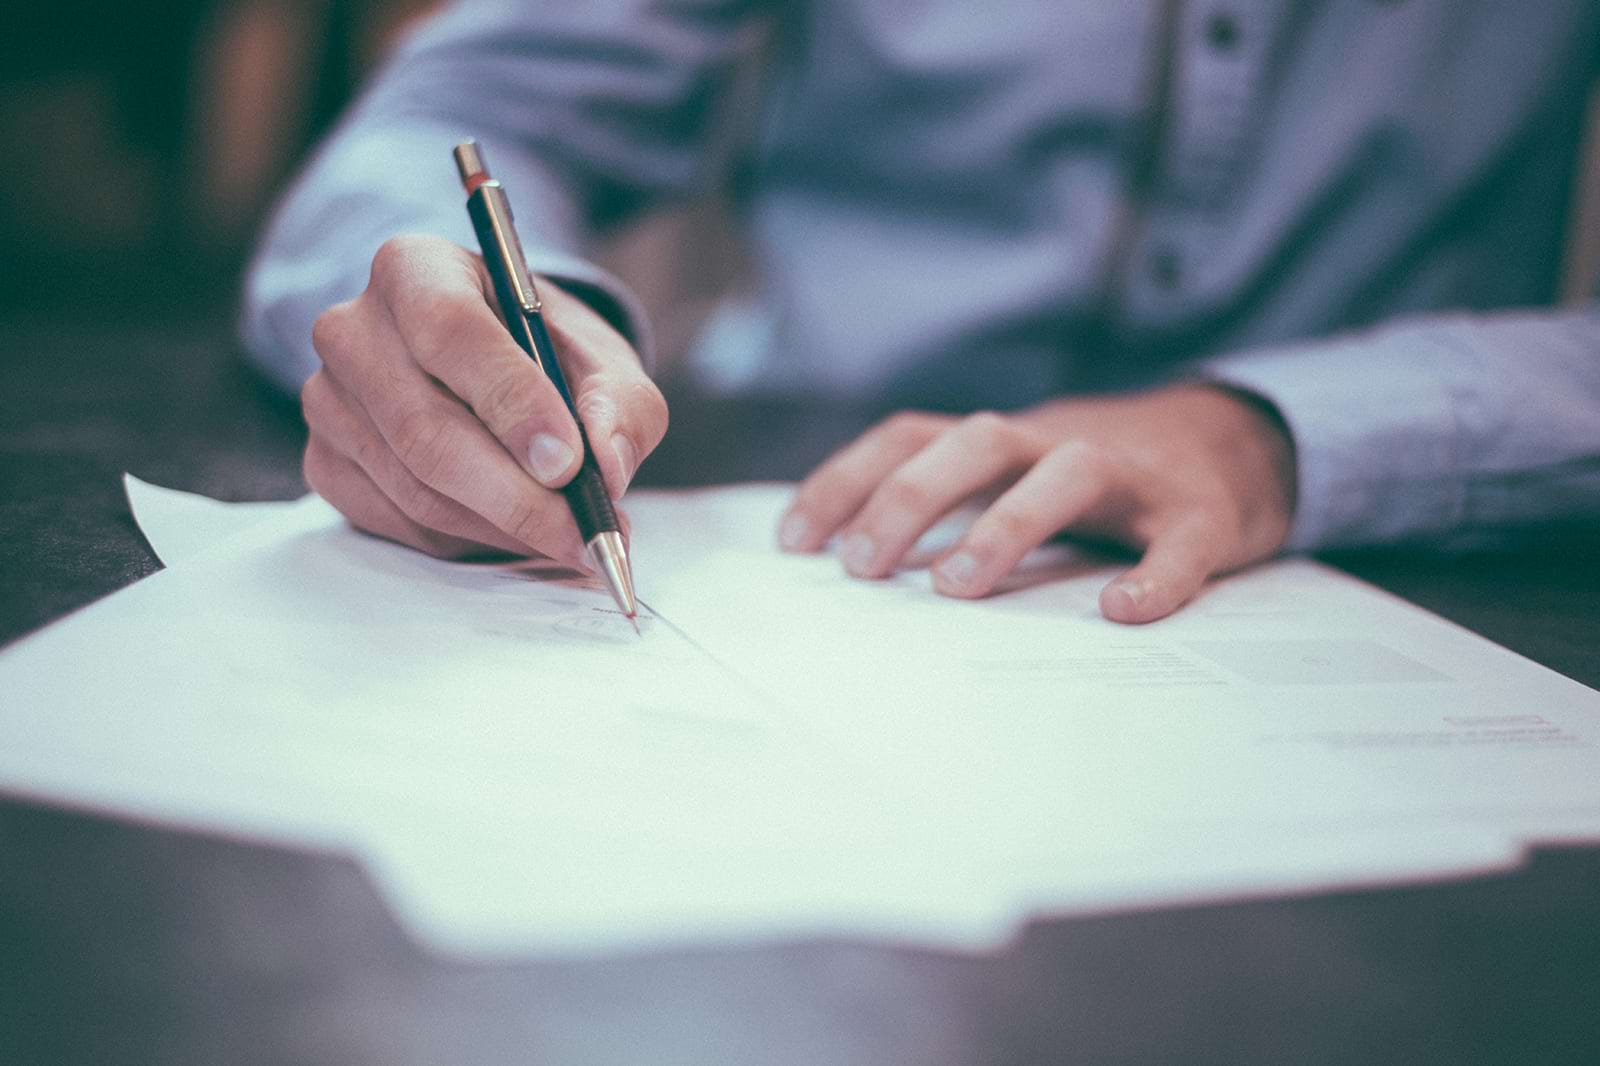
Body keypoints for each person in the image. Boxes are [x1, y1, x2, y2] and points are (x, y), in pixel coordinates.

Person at [242, 2, 1600, 624]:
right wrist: (474, 332)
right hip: (803, 512)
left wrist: (1273, 434)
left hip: (1418, 564)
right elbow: (449, 122)